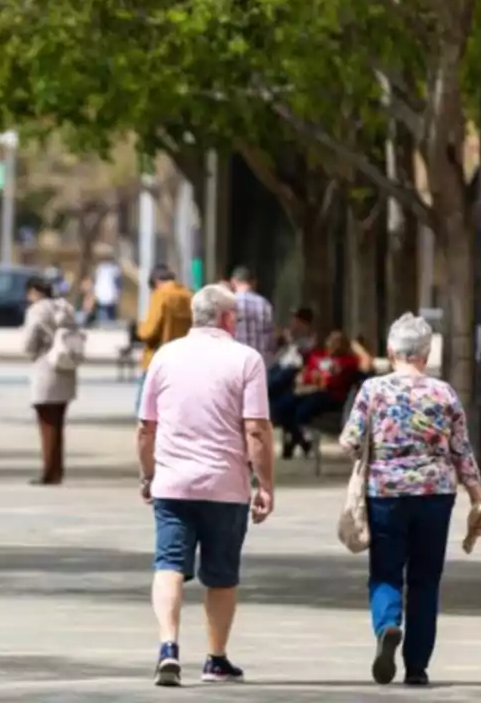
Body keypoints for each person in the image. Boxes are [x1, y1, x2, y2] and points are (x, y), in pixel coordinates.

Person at [339, 313, 481, 687]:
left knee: (386, 571)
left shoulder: (372, 390)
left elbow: (350, 442)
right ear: (425, 354)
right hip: (436, 494)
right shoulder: (444, 393)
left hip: (385, 493)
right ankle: (417, 666)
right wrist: (478, 497)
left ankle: (388, 625)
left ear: (391, 351)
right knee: (425, 579)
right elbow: (462, 450)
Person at [137, 284, 275, 687]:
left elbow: (146, 428)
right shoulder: (246, 359)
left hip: (172, 485)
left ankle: (168, 647)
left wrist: (148, 474)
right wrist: (265, 484)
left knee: (168, 564)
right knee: (221, 575)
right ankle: (216, 659)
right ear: (228, 318)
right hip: (225, 486)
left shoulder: (164, 356)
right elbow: (256, 429)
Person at [22, 276, 80, 486]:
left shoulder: (37, 310)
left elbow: (28, 344)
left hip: (45, 368)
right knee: (58, 423)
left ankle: (48, 472)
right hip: (66, 368)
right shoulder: (66, 308)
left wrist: (33, 351)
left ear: (35, 292)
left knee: (46, 424)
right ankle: (57, 469)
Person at [271, 329, 360, 458]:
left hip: (330, 395)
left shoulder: (348, 361)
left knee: (301, 412)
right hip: (308, 390)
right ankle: (301, 440)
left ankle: (299, 440)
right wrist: (308, 379)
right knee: (282, 406)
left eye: (337, 342)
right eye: (331, 341)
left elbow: (331, 381)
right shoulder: (318, 356)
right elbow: (306, 374)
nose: (333, 345)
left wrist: (316, 379)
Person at [137, 265, 193, 409]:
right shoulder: (189, 295)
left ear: (156, 282)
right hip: (183, 359)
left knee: (145, 407)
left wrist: (141, 327)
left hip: (157, 357)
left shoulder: (160, 295)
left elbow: (149, 331)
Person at [227, 267, 275, 366]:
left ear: (233, 281)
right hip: (258, 363)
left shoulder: (229, 303)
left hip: (235, 362)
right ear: (253, 282)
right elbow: (270, 340)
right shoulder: (264, 304)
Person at [90, 254, 122, 324]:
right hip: (108, 297)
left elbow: (95, 282)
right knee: (109, 318)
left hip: (103, 297)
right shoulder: (115, 269)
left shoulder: (100, 268)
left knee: (103, 318)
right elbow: (118, 284)